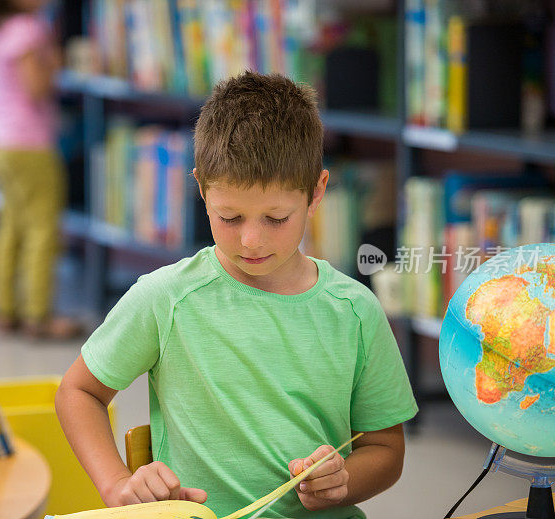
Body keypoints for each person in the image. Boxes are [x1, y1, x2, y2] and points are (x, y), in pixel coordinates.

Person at [55, 71, 418, 519]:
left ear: (317, 192)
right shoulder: (166, 297)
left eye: (276, 218)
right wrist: (115, 485)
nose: (251, 240)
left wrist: (342, 482)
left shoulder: (356, 311)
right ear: (201, 189)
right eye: (229, 217)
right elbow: (78, 392)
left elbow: (385, 449)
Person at [0, 0, 80, 338]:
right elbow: (35, 87)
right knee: (42, 227)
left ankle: (5, 309)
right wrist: (54, 63)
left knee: (11, 224)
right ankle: (38, 315)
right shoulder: (27, 30)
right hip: (28, 143)